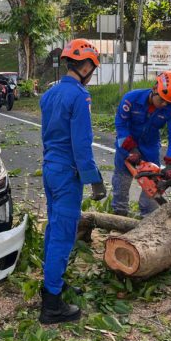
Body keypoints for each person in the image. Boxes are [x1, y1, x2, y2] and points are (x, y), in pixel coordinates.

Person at [39, 38, 105, 324]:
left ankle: (54, 284)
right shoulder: (79, 96)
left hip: (51, 169)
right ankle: (51, 305)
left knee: (54, 228)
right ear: (88, 65)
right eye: (94, 68)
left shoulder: (49, 94)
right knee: (64, 235)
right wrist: (95, 180)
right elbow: (81, 144)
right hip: (67, 174)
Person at [111, 70, 171, 216]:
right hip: (126, 147)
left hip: (150, 149)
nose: (164, 104)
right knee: (121, 188)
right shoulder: (131, 99)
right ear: (155, 88)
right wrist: (131, 148)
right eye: (162, 100)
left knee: (151, 193)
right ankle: (119, 218)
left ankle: (147, 221)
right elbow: (120, 125)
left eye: (168, 102)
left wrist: (170, 164)